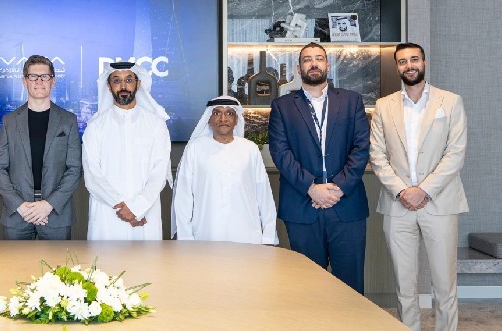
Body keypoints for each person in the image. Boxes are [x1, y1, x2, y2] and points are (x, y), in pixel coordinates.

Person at [370, 42, 468, 331]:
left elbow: (455, 153)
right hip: (397, 205)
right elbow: (377, 155)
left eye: (414, 59)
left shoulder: (450, 102)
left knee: (444, 283)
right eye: (403, 61)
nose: (409, 65)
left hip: (440, 203)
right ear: (397, 67)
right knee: (404, 284)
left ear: (424, 62)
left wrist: (423, 190)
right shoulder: (383, 106)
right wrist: (402, 192)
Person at [268, 42, 370, 294]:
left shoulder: (351, 101)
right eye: (307, 60)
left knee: (350, 286)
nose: (313, 63)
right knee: (308, 288)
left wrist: (339, 187)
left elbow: (361, 147)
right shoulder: (282, 106)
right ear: (298, 68)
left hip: (346, 205)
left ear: (328, 65)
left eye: (319, 59)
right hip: (302, 206)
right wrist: (311, 188)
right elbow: (281, 153)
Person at [0, 55, 81, 240]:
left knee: (58, 261)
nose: (39, 81)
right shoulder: (9, 121)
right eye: (33, 76)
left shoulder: (68, 120)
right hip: (18, 213)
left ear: (53, 81)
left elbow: (74, 169)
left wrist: (48, 205)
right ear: (24, 81)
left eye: (44, 76)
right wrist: (20, 205)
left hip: (56, 212)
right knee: (16, 261)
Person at [82, 61, 171, 240]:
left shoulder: (156, 125)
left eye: (129, 80)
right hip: (108, 214)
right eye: (117, 80)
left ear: (138, 84)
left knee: (147, 259)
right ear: (109, 86)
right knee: (105, 259)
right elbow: (93, 175)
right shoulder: (96, 126)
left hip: (145, 213)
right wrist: (123, 207)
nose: (123, 86)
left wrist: (138, 207)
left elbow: (159, 172)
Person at [173, 96, 278, 245]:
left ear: (236, 120)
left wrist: (268, 236)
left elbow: (264, 195)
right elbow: (184, 196)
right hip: (205, 235)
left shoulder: (250, 149)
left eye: (229, 113)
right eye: (217, 113)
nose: (223, 119)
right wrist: (185, 238)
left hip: (247, 235)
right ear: (209, 119)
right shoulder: (195, 148)